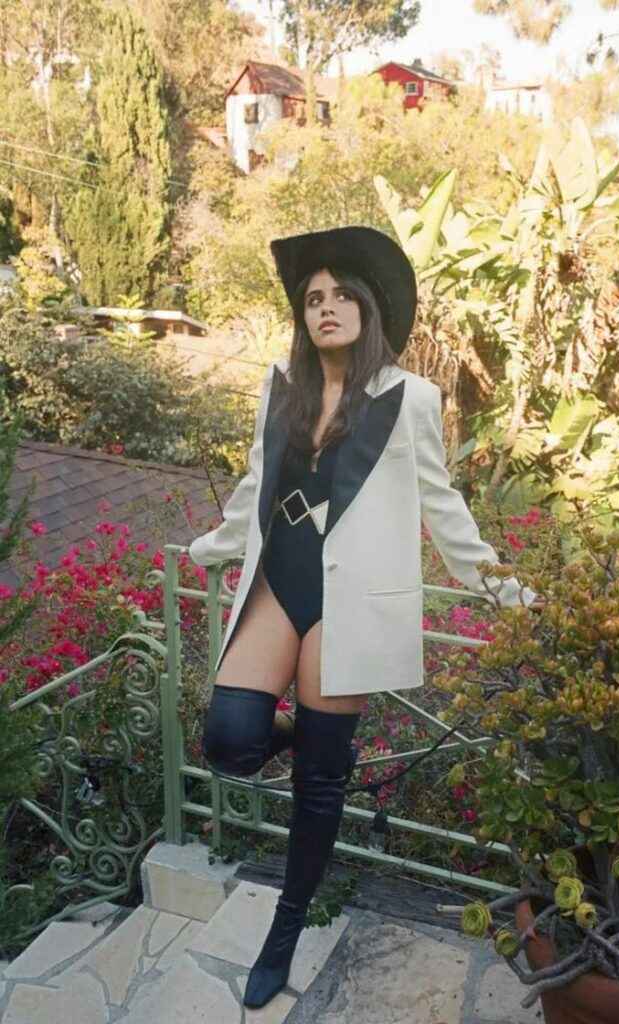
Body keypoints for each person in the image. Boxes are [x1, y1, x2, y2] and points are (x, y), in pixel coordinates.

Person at [188, 225, 536, 1009]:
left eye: (341, 294)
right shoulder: (282, 384)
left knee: (319, 785)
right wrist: (215, 545)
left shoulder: (410, 397)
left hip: (348, 603)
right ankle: (299, 735)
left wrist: (499, 586)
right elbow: (255, 483)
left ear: (368, 308)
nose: (325, 307)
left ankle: (284, 930)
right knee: (232, 738)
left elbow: (441, 505)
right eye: (312, 297)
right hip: (279, 581)